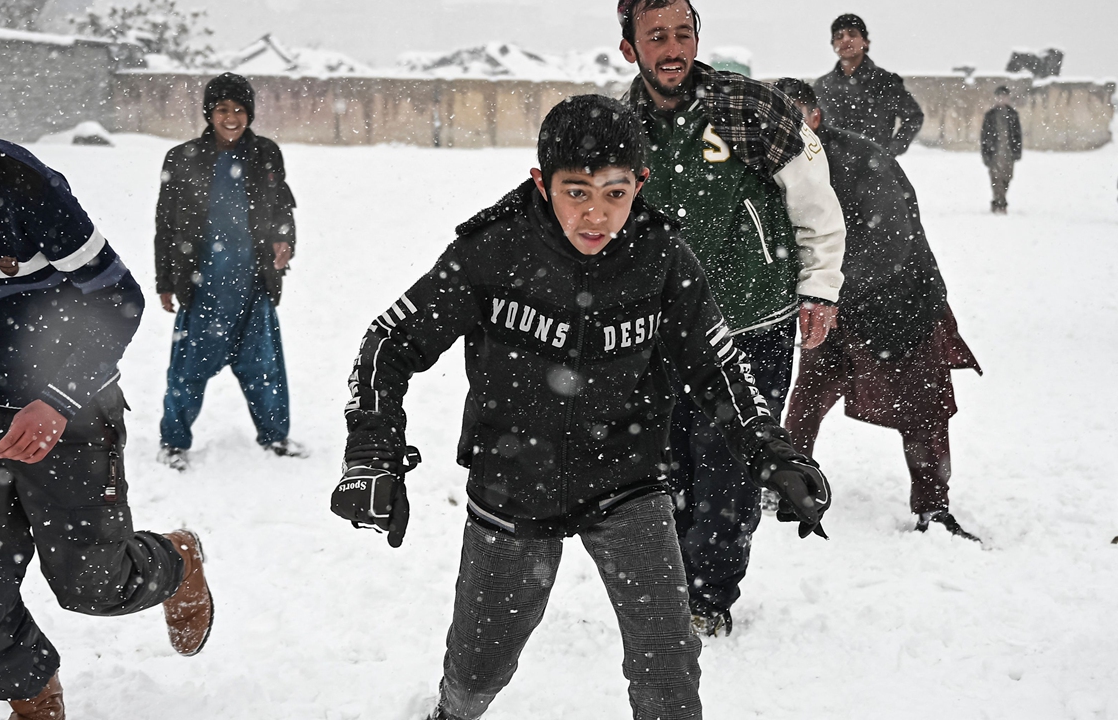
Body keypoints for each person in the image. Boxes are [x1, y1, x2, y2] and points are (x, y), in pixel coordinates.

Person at [330, 94, 831, 720]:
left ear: (640, 184)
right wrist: (372, 453)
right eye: (576, 192)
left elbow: (718, 366)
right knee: (479, 665)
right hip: (513, 484)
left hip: (627, 478)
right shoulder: (491, 250)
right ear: (542, 182)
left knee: (668, 659)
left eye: (615, 194)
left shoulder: (663, 257)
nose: (596, 215)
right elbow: (387, 343)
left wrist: (771, 448)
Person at [0, 42, 213, 720]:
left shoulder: (24, 188)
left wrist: (54, 401)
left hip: (70, 410)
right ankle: (31, 695)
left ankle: (174, 560)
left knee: (93, 585)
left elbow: (119, 300)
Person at [617, 0, 845, 636]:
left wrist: (820, 287)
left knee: (730, 467)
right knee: (661, 467)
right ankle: (667, 583)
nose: (672, 49)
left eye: (682, 34)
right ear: (629, 49)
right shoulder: (618, 124)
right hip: (660, 332)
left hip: (753, 323)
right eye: (655, 36)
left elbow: (814, 197)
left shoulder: (749, 107)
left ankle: (708, 594)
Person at [775, 77, 983, 541]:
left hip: (901, 303)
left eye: (797, 118)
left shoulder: (864, 161)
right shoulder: (777, 169)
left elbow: (890, 245)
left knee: (923, 412)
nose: (789, 130)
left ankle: (933, 507)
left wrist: (825, 292)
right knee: (808, 393)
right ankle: (784, 484)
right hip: (833, 305)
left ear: (816, 118)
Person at [154, 72, 305, 471]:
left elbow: (282, 208)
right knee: (187, 371)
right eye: (223, 109)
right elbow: (166, 225)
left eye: (239, 109)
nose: (232, 117)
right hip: (202, 284)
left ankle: (276, 437)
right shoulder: (182, 158)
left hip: (253, 283)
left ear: (250, 113)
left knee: (264, 368)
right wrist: (165, 281)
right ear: (210, 113)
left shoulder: (266, 153)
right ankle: (173, 443)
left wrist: (284, 241)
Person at [813, 13, 925, 158]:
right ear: (833, 45)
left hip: (875, 172)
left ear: (865, 42)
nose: (845, 39)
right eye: (839, 36)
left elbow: (913, 117)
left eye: (852, 34)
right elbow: (812, 125)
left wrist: (891, 151)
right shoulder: (822, 86)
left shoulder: (885, 82)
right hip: (833, 172)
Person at [980, 86, 1023, 214]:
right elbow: (984, 136)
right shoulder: (990, 115)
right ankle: (1001, 204)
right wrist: (986, 153)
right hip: (994, 152)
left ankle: (997, 201)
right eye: (999, 96)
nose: (1001, 99)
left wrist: (1017, 151)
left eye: (1004, 97)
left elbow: (1017, 135)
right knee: (996, 178)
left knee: (1007, 178)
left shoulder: (1013, 115)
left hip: (1008, 152)